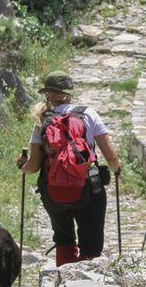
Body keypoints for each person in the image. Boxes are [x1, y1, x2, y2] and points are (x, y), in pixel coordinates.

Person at [19, 71, 122, 266]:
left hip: (54, 191)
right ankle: (87, 279)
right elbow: (111, 156)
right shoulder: (88, 114)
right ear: (69, 93)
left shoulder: (42, 121)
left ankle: (63, 279)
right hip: (89, 188)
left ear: (48, 94)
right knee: (91, 241)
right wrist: (117, 168)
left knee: (63, 237)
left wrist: (21, 165)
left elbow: (32, 167)